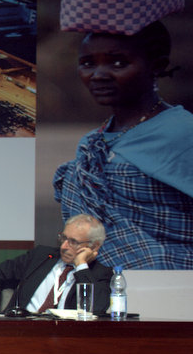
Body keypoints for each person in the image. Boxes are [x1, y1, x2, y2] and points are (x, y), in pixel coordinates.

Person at [54, 20, 193, 269]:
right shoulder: (93, 142)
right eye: (88, 63)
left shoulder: (183, 132)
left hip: (176, 283)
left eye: (118, 63)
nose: (98, 74)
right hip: (103, 287)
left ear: (156, 66)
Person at [0, 214, 112, 316]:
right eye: (63, 238)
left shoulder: (100, 273)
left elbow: (96, 310)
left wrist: (81, 265)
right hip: (18, 331)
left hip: (64, 339)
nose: (64, 246)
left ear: (93, 246)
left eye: (73, 242)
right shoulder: (42, 256)